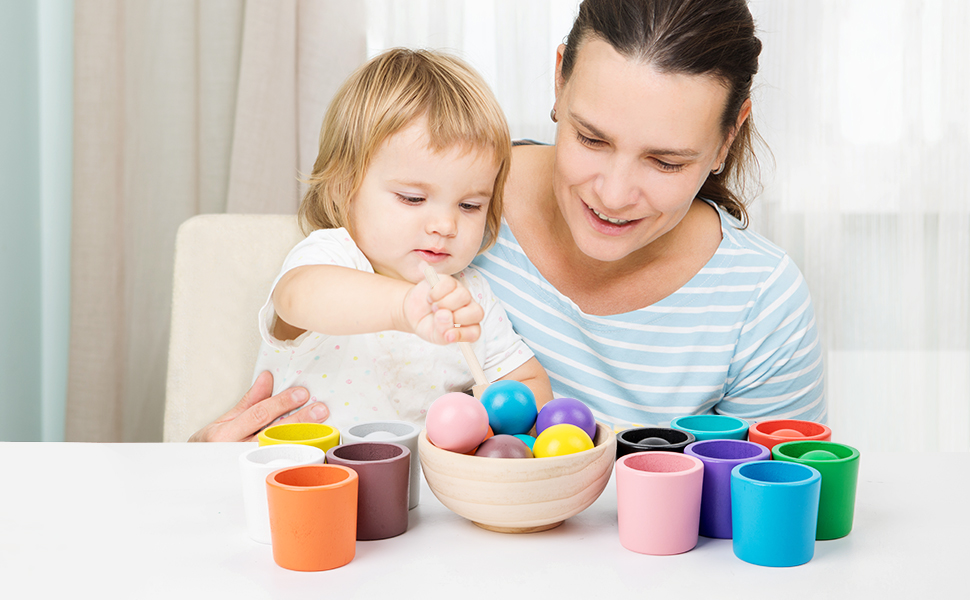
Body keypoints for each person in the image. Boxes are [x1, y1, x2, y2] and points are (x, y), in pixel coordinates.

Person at [191, 0, 823, 442]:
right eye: (592, 138)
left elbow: (778, 505)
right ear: (559, 81)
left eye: (665, 161)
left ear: (728, 136)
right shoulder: (448, 209)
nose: (613, 194)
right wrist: (203, 461)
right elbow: (306, 297)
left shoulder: (760, 301)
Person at [248, 48, 550, 434]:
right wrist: (403, 307)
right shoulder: (333, 255)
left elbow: (528, 382)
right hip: (308, 466)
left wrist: (496, 429)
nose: (445, 225)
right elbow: (296, 297)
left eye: (470, 205)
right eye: (413, 198)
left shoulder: (470, 296)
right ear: (343, 188)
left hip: (417, 475)